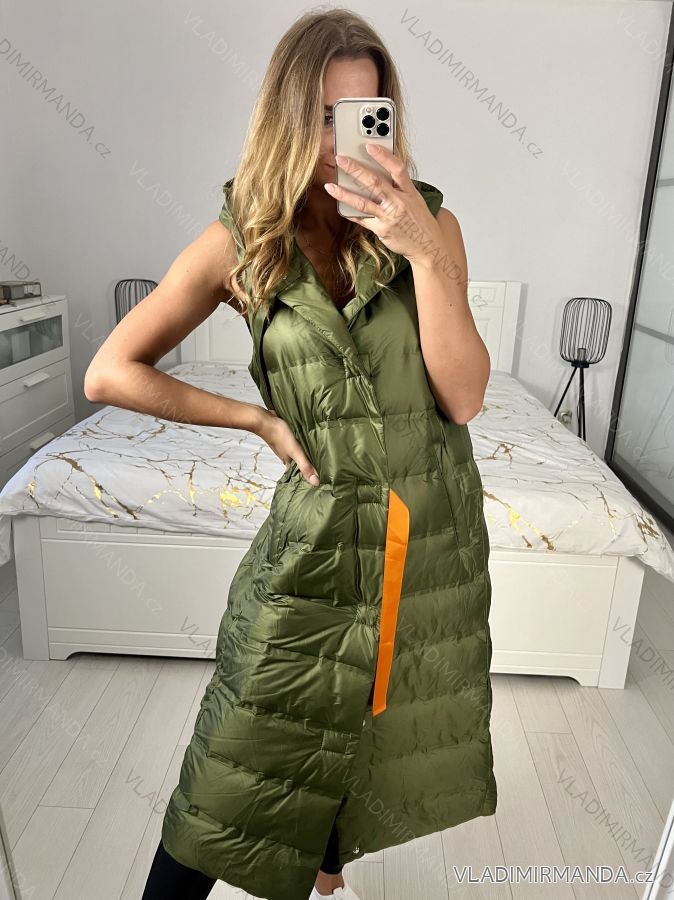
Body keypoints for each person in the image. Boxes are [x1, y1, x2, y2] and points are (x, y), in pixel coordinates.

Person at [85, 8, 495, 900]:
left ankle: (327, 861)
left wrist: (424, 253)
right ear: (286, 114)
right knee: (228, 775)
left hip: (422, 537)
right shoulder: (246, 238)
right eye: (323, 116)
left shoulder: (433, 225)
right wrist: (257, 421)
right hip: (315, 540)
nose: (342, 141)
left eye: (363, 114)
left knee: (376, 721)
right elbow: (110, 372)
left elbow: (463, 397)